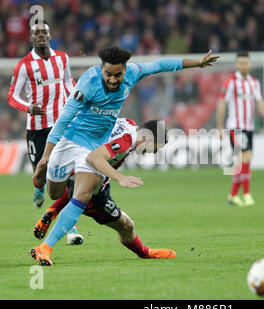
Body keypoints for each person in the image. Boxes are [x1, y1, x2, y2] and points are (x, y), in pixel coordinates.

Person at [32, 46, 219, 264]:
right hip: (71, 139)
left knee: (82, 194)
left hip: (95, 145)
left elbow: (160, 65)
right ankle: (45, 194)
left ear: (125, 71)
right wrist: (46, 156)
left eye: (117, 75)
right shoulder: (88, 84)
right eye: (108, 74)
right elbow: (64, 119)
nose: (113, 80)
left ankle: (45, 247)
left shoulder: (132, 75)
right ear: (101, 69)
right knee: (55, 193)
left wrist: (197, 63)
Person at [31, 118, 175, 265]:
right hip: (94, 185)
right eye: (154, 149)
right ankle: (145, 253)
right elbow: (93, 158)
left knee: (79, 191)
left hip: (75, 161)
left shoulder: (129, 123)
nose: (150, 153)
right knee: (126, 225)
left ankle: (52, 211)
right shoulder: (124, 142)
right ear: (147, 139)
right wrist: (121, 178)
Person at [7, 20, 83, 244]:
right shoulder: (25, 65)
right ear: (31, 38)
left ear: (50, 36)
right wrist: (27, 107)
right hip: (38, 128)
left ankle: (71, 230)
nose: (41, 35)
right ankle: (38, 188)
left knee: (67, 177)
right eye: (36, 32)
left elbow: (69, 82)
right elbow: (12, 95)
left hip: (62, 125)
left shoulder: (63, 58)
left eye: (44, 32)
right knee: (41, 172)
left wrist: (79, 101)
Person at [216, 51, 264, 207]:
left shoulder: (254, 83)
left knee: (242, 161)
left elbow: (260, 104)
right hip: (235, 127)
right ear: (237, 64)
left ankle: (233, 195)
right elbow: (222, 105)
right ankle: (247, 194)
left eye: (246, 62)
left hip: (249, 127)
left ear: (249, 64)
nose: (244, 65)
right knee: (245, 159)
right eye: (241, 62)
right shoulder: (231, 82)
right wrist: (219, 127)